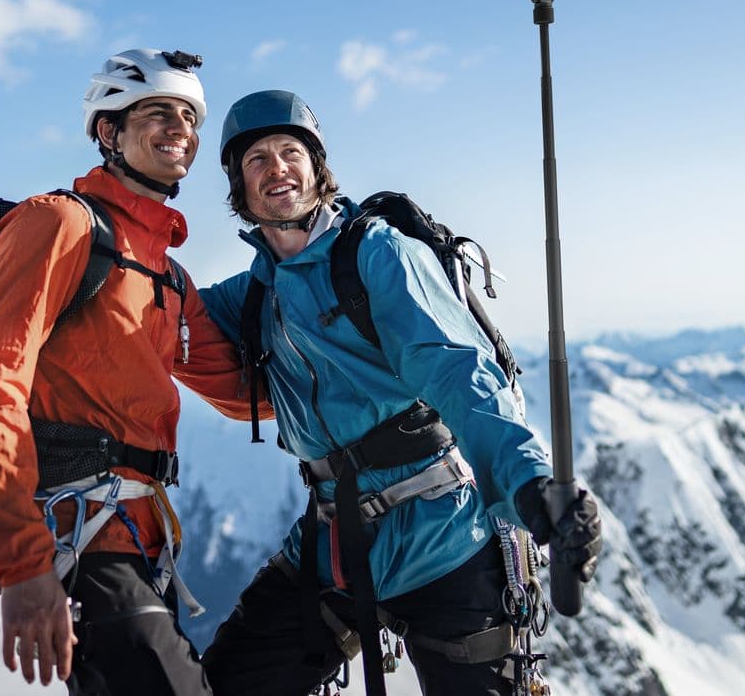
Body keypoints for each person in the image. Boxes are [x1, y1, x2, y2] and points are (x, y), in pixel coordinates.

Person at [196, 90, 603, 696]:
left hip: (447, 540)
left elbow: (459, 373)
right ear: (239, 185)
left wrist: (529, 481)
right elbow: (146, 312)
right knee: (224, 682)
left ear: (317, 168)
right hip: (338, 542)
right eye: (257, 159)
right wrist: (32, 243)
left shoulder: (377, 255)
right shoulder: (251, 295)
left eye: (290, 152)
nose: (277, 168)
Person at [0, 49, 262, 694]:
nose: (181, 130)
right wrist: (22, 561)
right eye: (157, 113)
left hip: (141, 542)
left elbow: (244, 394)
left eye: (190, 117)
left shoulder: (166, 272)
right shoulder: (57, 225)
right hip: (75, 534)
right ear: (108, 131)